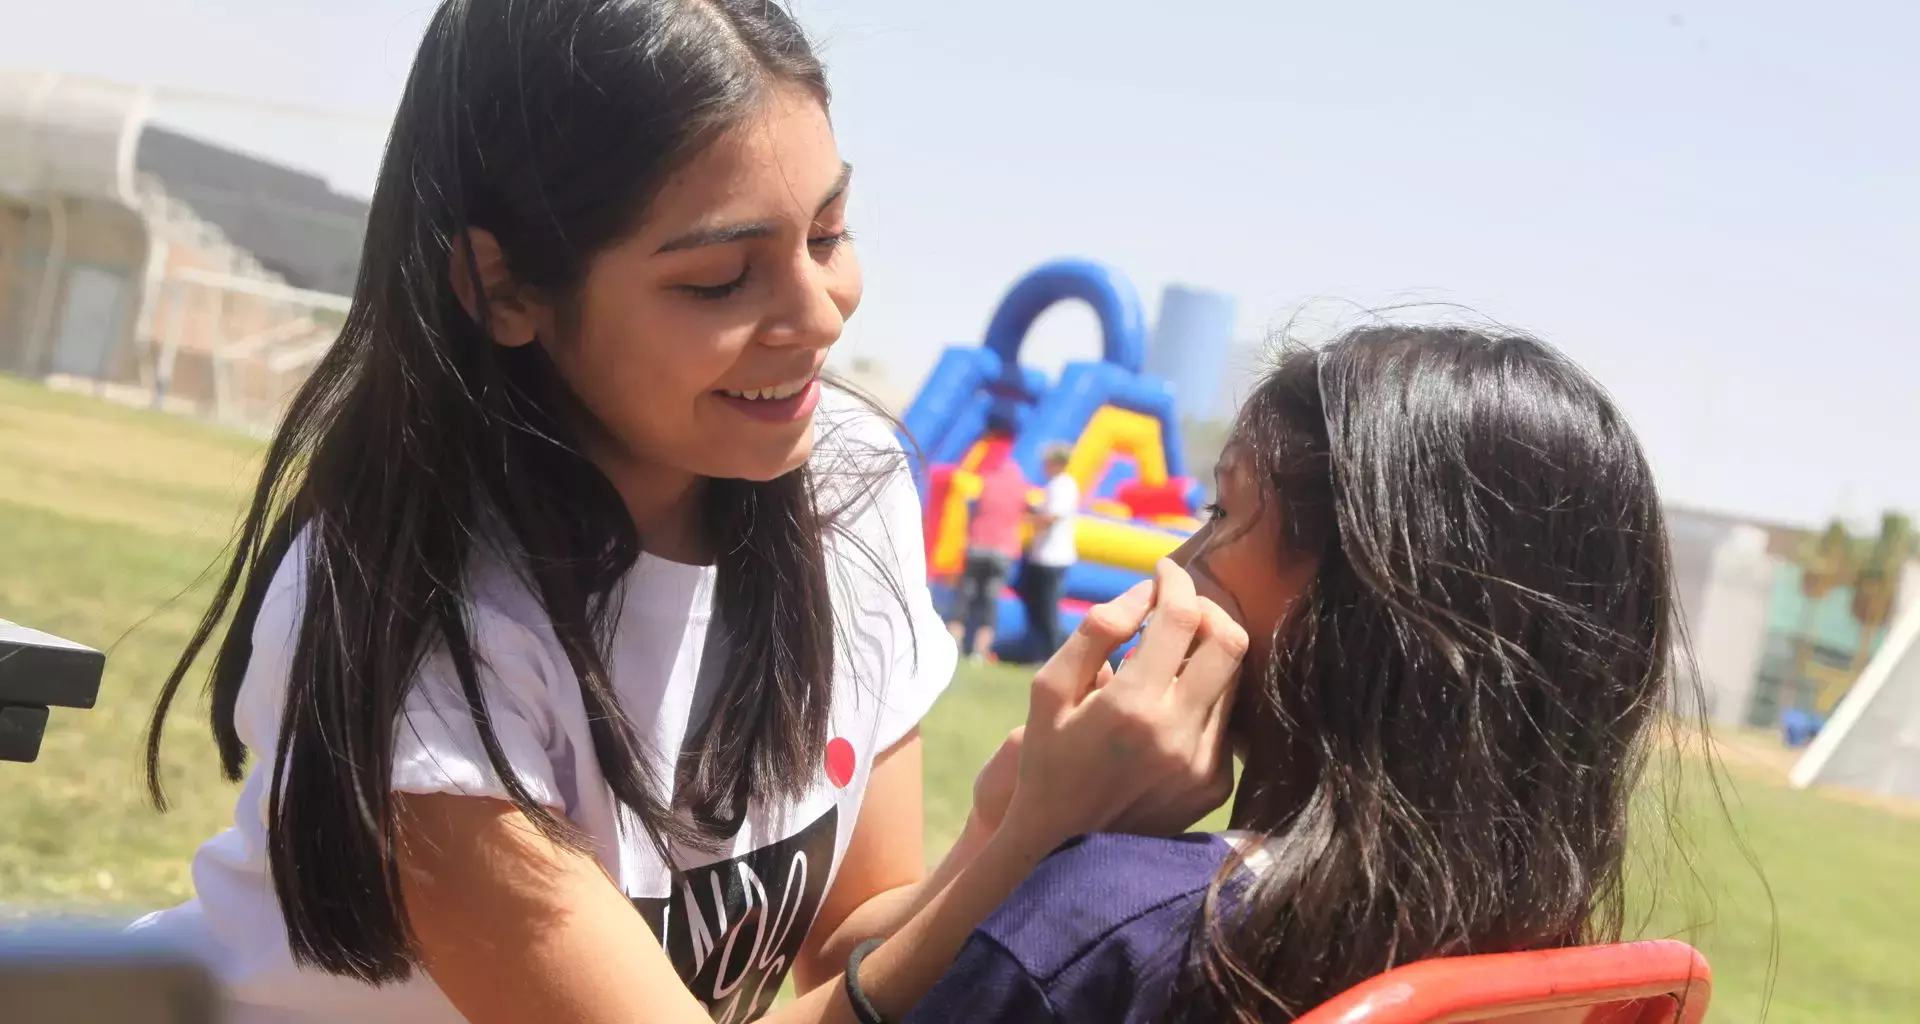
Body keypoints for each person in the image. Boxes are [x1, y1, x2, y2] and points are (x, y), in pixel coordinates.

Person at [127, 3, 1245, 1023]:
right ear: (502, 288)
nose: (817, 317)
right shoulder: (425, 622)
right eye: (721, 279)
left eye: (827, 232)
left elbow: (841, 952)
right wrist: (1033, 846)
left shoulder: (849, 486)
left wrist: (1021, 828)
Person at [905, 326, 1694, 1023]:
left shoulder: (1106, 926)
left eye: (1219, 511)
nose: (1176, 561)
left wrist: (1023, 840)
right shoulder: (1557, 973)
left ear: (1362, 598)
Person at [946, 414, 1030, 663]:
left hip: (978, 546)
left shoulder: (986, 477)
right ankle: (980, 652)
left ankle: (955, 644)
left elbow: (970, 507)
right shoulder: (1018, 481)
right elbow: (1025, 509)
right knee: (990, 603)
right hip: (1003, 550)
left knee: (965, 599)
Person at [1018, 444, 1079, 659]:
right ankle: (1038, 652)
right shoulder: (1054, 485)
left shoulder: (1063, 485)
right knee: (1037, 607)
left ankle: (1052, 653)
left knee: (1048, 609)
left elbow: (1050, 518)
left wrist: (1029, 517)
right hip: (1042, 556)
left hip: (1053, 558)